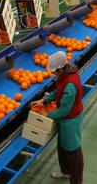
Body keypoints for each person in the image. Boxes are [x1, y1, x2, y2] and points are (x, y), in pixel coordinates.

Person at [31, 51, 84, 183]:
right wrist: (45, 100)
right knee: (62, 146)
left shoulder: (70, 84)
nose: (53, 74)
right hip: (65, 119)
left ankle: (76, 180)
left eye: (54, 72)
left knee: (73, 150)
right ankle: (66, 171)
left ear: (60, 69)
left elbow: (65, 110)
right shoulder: (66, 74)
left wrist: (47, 115)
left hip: (70, 120)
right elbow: (58, 90)